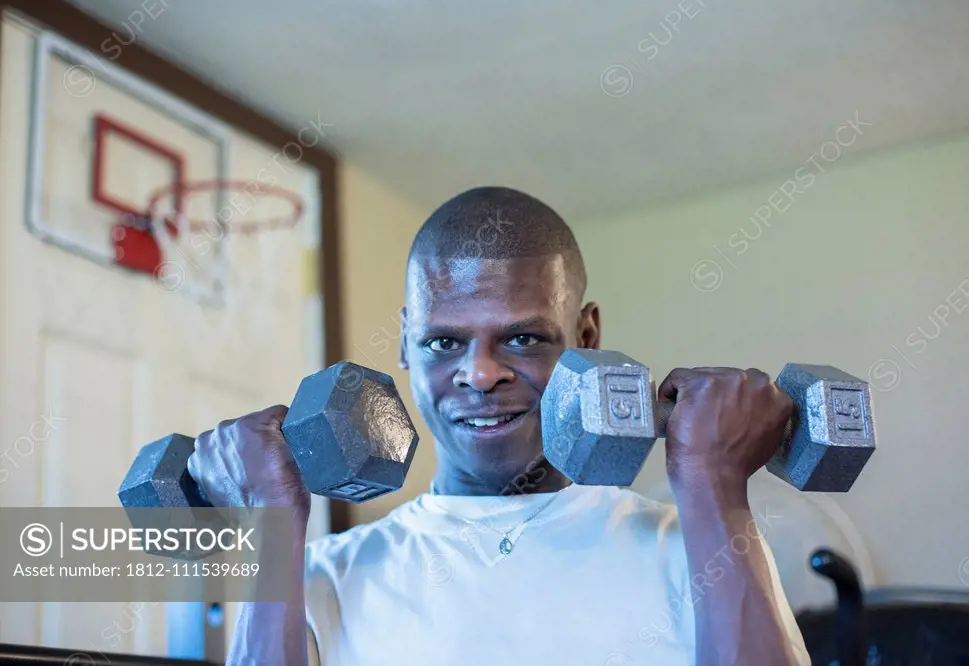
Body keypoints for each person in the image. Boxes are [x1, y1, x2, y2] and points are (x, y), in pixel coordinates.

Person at [188, 186, 812, 666]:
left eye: (522, 337)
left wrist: (714, 484)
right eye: (442, 342)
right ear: (407, 341)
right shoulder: (319, 577)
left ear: (586, 337)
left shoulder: (696, 547)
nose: (480, 374)